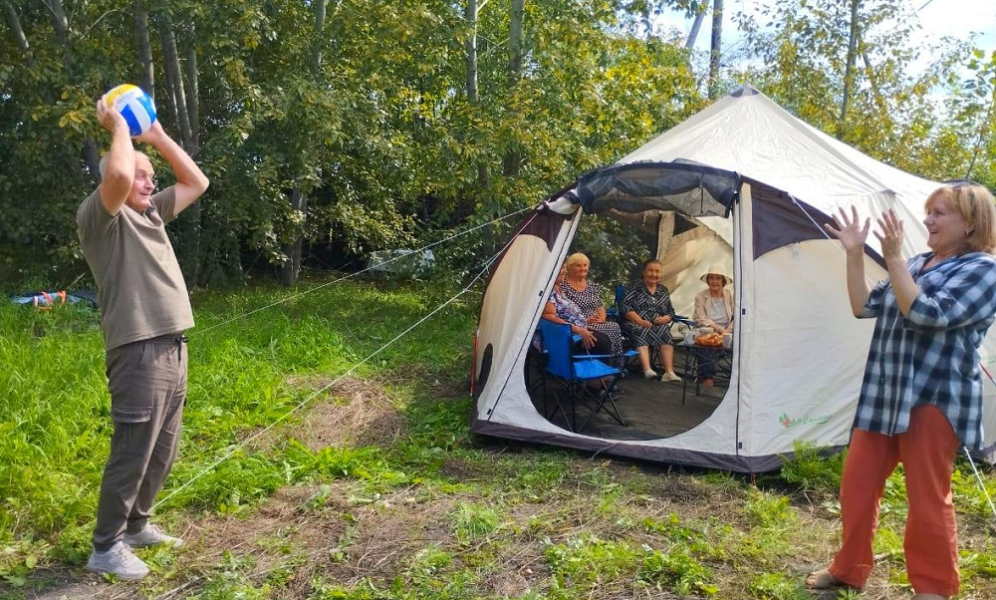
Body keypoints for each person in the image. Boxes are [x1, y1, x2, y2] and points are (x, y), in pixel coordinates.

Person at [807, 183, 996, 600]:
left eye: (939, 213)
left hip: (934, 397)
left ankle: (934, 588)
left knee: (927, 497)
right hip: (885, 393)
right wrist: (855, 253)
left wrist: (892, 259)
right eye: (929, 212)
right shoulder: (916, 262)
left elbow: (927, 314)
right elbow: (862, 305)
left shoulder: (985, 270)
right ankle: (848, 569)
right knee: (857, 486)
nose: (927, 220)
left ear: (970, 224)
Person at [77, 98, 209, 579]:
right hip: (138, 348)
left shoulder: (150, 213)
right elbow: (114, 177)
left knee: (162, 450)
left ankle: (135, 527)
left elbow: (197, 182)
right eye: (142, 176)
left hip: (173, 345)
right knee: (133, 452)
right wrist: (118, 125)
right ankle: (105, 547)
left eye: (151, 176)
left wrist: (155, 136)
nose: (151, 183)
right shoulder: (100, 219)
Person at [620, 259, 681, 382]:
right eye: (650, 271)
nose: (654, 274)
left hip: (656, 324)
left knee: (664, 330)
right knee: (641, 329)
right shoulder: (634, 287)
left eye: (657, 271)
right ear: (644, 272)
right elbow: (625, 307)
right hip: (634, 322)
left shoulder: (663, 290)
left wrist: (667, 318)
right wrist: (640, 321)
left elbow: (670, 311)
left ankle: (669, 372)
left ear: (661, 274)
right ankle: (647, 370)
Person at [558, 253, 624, 359]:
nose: (583, 268)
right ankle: (602, 361)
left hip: (596, 321)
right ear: (569, 267)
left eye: (585, 265)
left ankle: (614, 361)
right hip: (579, 323)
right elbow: (564, 310)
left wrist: (602, 319)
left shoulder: (591, 285)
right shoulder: (563, 285)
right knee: (609, 330)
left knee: (614, 326)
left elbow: (599, 306)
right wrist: (585, 320)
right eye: (578, 265)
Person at [539, 262, 613, 355]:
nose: (565, 271)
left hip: (574, 331)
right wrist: (578, 330)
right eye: (561, 268)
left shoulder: (558, 289)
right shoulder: (548, 292)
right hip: (563, 337)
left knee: (605, 339)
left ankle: (610, 363)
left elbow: (565, 314)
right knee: (603, 345)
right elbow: (549, 317)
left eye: (565, 268)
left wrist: (585, 320)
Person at [692, 264, 734, 387]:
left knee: (741, 344)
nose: (714, 281)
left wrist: (728, 330)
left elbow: (737, 316)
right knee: (705, 346)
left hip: (727, 331)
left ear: (723, 281)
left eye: (718, 278)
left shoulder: (729, 295)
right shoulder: (700, 296)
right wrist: (718, 329)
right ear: (708, 280)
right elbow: (700, 318)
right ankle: (707, 378)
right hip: (708, 330)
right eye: (711, 278)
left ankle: (738, 378)